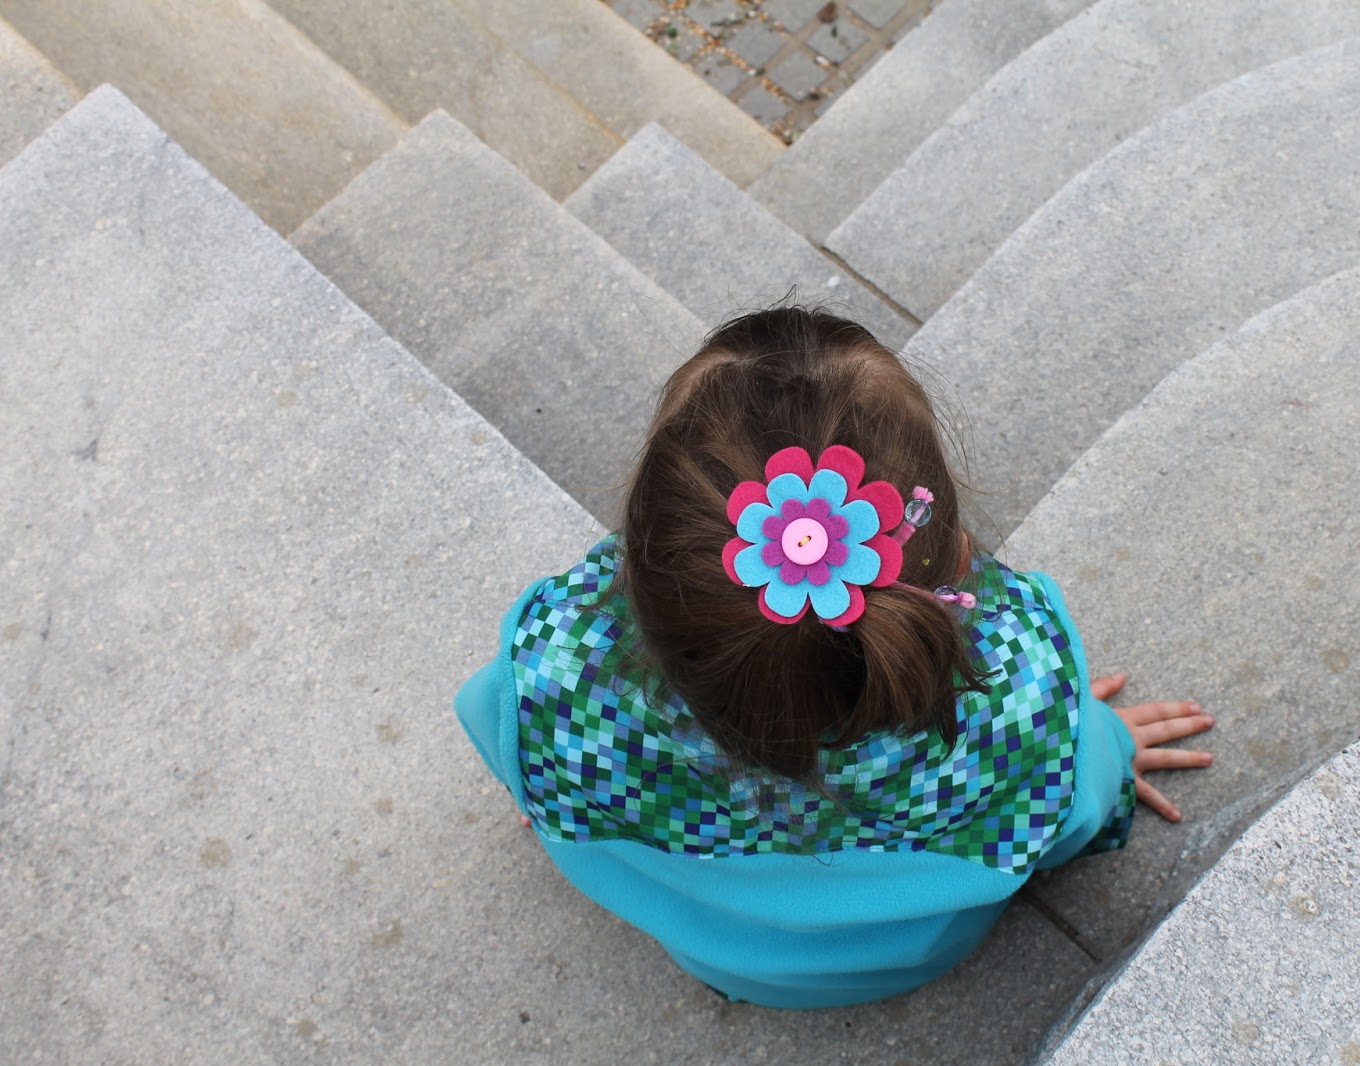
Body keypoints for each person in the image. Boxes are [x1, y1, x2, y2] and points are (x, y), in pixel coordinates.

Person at [455, 307, 1213, 1009]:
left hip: (720, 958)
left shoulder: (557, 683)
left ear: (640, 571)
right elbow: (1069, 821)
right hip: (918, 955)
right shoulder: (1024, 694)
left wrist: (552, 775)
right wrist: (1104, 747)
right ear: (955, 556)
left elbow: (498, 728)